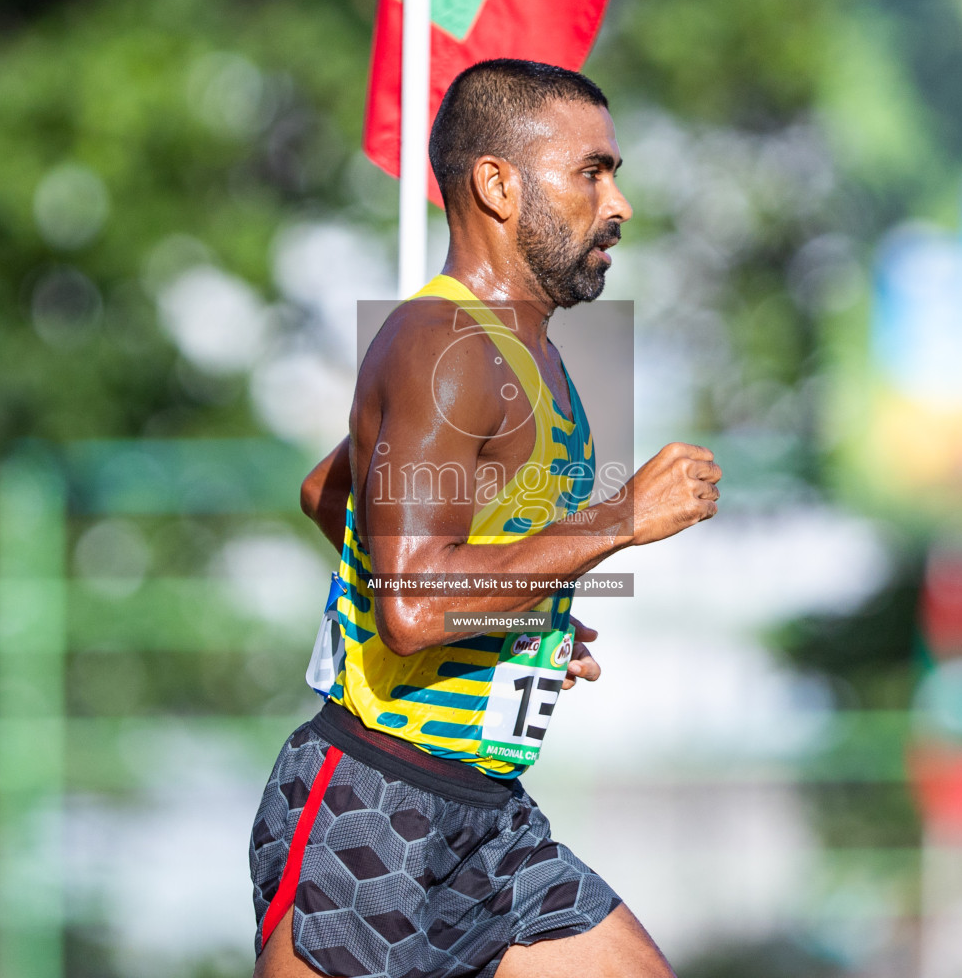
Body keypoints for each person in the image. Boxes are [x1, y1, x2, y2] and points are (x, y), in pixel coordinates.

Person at [250, 58, 721, 978]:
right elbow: (415, 606)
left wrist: (520, 612)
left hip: (488, 818)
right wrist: (620, 518)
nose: (619, 204)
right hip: (375, 808)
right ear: (498, 185)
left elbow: (333, 497)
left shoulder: (532, 352)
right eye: (592, 171)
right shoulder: (444, 344)